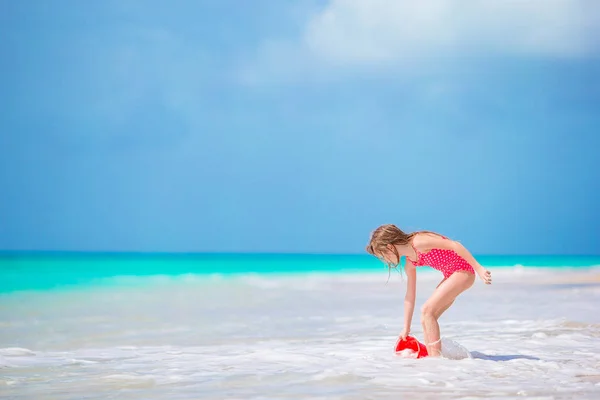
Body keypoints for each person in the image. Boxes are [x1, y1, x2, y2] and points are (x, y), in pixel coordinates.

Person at [365, 224, 492, 357]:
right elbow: (410, 296)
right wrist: (406, 328)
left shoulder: (419, 241)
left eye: (383, 255)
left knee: (427, 311)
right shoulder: (410, 263)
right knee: (425, 318)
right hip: (452, 275)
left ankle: (435, 359)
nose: (385, 261)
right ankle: (433, 356)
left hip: (463, 271)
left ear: (390, 247)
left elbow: (455, 245)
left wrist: (479, 269)